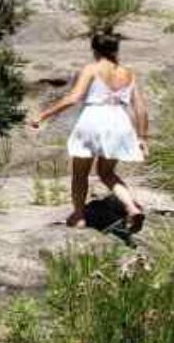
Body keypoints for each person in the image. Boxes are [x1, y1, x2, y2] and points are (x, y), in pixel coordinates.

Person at [28, 32, 150, 231]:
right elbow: (140, 107)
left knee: (80, 173)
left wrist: (42, 116)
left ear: (94, 50)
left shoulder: (92, 68)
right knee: (107, 172)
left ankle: (79, 216)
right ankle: (131, 207)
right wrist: (142, 137)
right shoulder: (128, 73)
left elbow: (73, 98)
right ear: (116, 49)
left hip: (94, 119)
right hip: (119, 121)